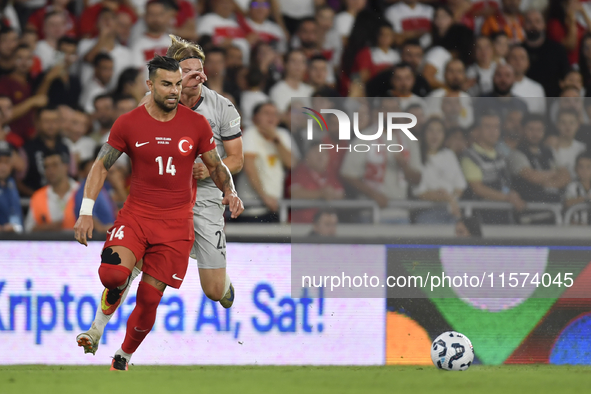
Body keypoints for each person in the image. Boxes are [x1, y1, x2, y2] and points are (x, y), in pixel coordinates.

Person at [74, 55, 243, 370]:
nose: (174, 91)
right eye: (167, 84)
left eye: (178, 84)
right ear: (149, 85)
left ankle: (123, 355)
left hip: (176, 226)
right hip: (136, 216)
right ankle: (96, 331)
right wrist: (86, 211)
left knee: (150, 299)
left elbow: (217, 167)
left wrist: (230, 191)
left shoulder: (196, 124)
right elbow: (101, 165)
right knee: (113, 274)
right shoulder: (128, 122)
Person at [461, 110, 525, 224]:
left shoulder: (500, 155)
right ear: (477, 130)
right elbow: (477, 188)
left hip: (505, 217)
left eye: (496, 127)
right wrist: (508, 198)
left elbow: (505, 184)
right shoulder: (470, 156)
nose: (493, 131)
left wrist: (512, 194)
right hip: (482, 220)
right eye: (487, 127)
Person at [237, 101, 291, 221]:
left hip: (275, 205)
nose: (271, 117)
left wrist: (276, 139)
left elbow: (291, 164)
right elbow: (249, 168)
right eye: (266, 113)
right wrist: (264, 197)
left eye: (275, 114)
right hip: (252, 207)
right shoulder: (250, 134)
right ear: (255, 117)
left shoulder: (283, 135)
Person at [508, 114, 571, 210]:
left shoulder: (550, 151)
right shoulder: (515, 154)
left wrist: (548, 184)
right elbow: (533, 177)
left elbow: (566, 176)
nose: (535, 134)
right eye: (531, 129)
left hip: (555, 207)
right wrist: (555, 173)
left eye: (539, 130)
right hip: (531, 210)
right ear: (522, 129)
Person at [413, 117, 467, 224]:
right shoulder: (416, 156)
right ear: (424, 133)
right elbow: (420, 193)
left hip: (452, 211)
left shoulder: (449, 155)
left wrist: (451, 199)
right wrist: (446, 197)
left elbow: (459, 186)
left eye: (439, 131)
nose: (435, 135)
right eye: (430, 130)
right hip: (427, 213)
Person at [18, 106, 71, 196]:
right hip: (33, 203)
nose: (51, 125)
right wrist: (38, 197)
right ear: (37, 123)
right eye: (46, 121)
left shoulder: (65, 147)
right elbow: (18, 181)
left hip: (64, 202)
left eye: (55, 121)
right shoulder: (27, 149)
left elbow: (72, 176)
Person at [24, 150, 78, 232]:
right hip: (47, 243)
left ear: (66, 166)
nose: (50, 170)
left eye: (55, 165)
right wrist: (50, 228)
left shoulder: (84, 191)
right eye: (46, 166)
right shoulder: (38, 197)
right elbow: (28, 229)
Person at [553, 108, 586, 178]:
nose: (568, 126)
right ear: (557, 125)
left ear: (578, 125)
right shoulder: (549, 148)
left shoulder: (583, 149)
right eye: (563, 122)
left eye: (572, 122)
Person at [0, 140, 23, 233]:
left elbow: (16, 216)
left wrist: (16, 227)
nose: (3, 166)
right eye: (0, 161)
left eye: (7, 161)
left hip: (13, 241)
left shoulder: (11, 183)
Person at [564, 152, 591, 224]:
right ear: (575, 168)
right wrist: (586, 198)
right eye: (581, 167)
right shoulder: (571, 187)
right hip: (576, 227)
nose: (584, 170)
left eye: (588, 167)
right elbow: (567, 203)